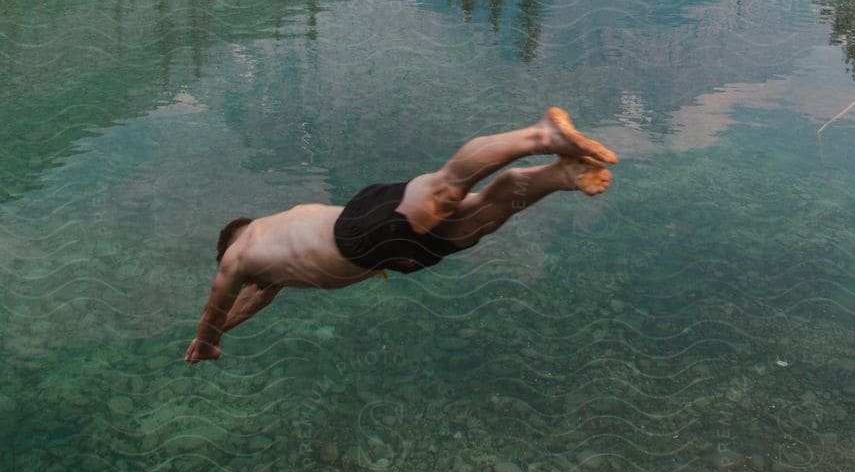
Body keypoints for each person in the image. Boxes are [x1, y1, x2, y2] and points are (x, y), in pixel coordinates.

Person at [185, 108, 617, 362]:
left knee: (445, 189)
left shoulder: (240, 252)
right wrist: (221, 332)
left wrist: (207, 338)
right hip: (379, 247)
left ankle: (541, 135)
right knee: (473, 223)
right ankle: (560, 173)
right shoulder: (274, 253)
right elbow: (251, 300)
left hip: (357, 234)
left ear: (233, 243)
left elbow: (221, 295)